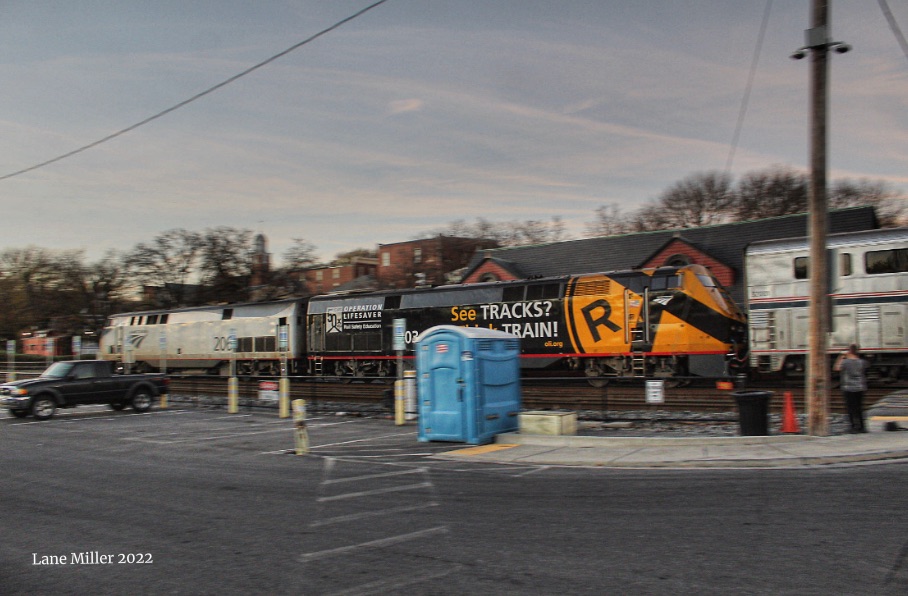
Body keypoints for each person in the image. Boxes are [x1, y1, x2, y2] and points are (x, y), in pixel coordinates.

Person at [834, 344, 869, 433]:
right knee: (859, 407)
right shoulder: (862, 362)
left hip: (848, 387)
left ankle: (853, 427)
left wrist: (841, 357)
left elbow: (836, 368)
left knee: (850, 408)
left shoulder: (846, 362)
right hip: (860, 387)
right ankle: (862, 427)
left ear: (849, 351)